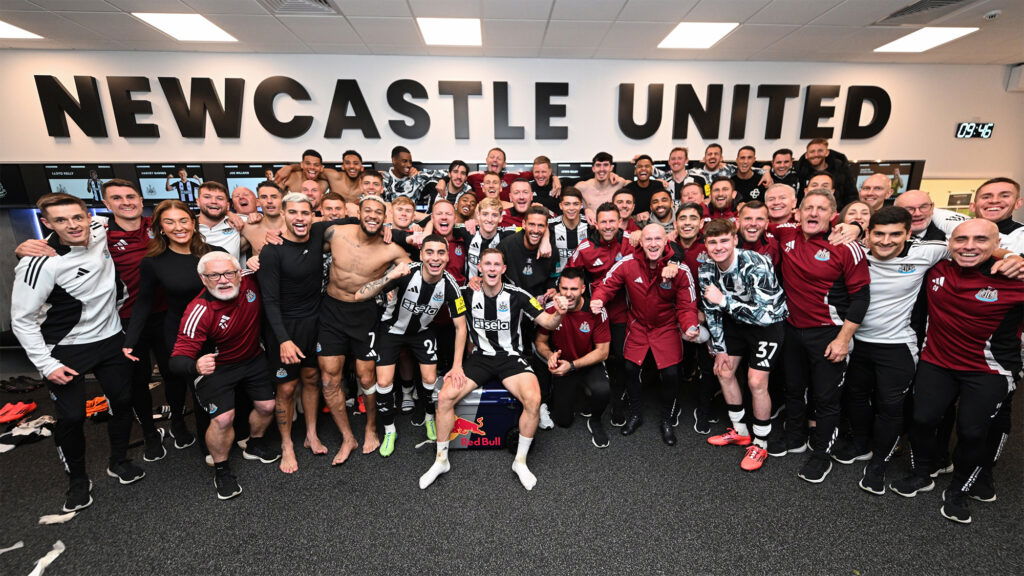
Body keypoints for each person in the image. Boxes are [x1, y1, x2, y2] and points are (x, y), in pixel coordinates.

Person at [839, 207, 1010, 494]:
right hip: (855, 341)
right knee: (855, 398)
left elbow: (973, 248)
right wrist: (854, 227)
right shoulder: (854, 252)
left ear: (909, 234)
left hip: (897, 346)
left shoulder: (929, 251)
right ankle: (860, 444)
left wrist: (1011, 257)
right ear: (867, 235)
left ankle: (880, 461)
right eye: (878, 234)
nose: (885, 241)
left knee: (890, 408)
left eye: (895, 234)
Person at [11, 193, 143, 513]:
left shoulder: (99, 228)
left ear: (88, 216)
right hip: (66, 348)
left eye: (77, 217)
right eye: (61, 220)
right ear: (46, 224)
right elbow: (21, 320)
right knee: (71, 416)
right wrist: (46, 364)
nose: (72, 225)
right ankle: (78, 479)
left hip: (110, 339)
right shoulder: (39, 262)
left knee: (123, 402)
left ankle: (118, 460)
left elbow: (130, 218)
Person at [890, 219, 1023, 524]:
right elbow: (896, 246)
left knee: (972, 431)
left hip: (988, 370)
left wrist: (1013, 259)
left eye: (980, 240)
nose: (969, 246)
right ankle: (922, 473)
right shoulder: (937, 269)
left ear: (995, 245)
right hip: (937, 361)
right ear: (950, 243)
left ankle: (959, 489)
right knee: (921, 419)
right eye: (961, 239)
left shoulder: (1014, 278)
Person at [418, 248, 569, 491]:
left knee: (533, 398)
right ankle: (441, 460)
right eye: (486, 264)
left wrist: (560, 313)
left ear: (503, 269)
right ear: (479, 267)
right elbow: (437, 290)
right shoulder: (466, 293)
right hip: (480, 358)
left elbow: (548, 322)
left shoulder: (518, 295)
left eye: (496, 264)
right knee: (445, 397)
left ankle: (520, 461)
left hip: (510, 358)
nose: (491, 268)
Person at [768, 190, 870, 484]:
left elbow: (861, 298)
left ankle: (822, 452)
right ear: (797, 214)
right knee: (793, 389)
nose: (813, 213)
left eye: (821, 209)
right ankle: (796, 437)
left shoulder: (847, 247)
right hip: (791, 328)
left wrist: (843, 339)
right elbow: (750, 221)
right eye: (808, 208)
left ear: (833, 216)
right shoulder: (786, 233)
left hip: (828, 332)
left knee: (826, 397)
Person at [169, 252, 278, 500]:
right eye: (214, 275)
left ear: (239, 273)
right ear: (203, 279)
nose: (223, 280)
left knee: (268, 405)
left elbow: (274, 257)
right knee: (223, 419)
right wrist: (195, 365)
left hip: (253, 358)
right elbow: (176, 359)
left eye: (229, 273)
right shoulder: (199, 309)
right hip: (219, 367)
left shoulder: (250, 279)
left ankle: (254, 444)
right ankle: (222, 469)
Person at [351, 235, 469, 456]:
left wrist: (457, 365)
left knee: (429, 379)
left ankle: (429, 417)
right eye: (430, 252)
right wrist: (390, 277)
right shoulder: (406, 272)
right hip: (391, 331)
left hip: (421, 332)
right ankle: (389, 430)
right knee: (384, 381)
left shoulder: (450, 285)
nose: (435, 258)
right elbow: (359, 295)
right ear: (422, 254)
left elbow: (461, 327)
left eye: (441, 253)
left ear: (448, 256)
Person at [123, 200, 222, 457]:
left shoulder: (215, 253)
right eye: (169, 222)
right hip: (182, 333)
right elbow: (143, 302)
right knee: (197, 390)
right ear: (160, 228)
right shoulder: (154, 262)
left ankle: (228, 433)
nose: (178, 227)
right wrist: (131, 339)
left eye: (183, 220)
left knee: (221, 385)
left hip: (217, 331)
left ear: (193, 222)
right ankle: (207, 447)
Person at [319, 195, 412, 461]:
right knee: (329, 379)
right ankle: (347, 437)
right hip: (331, 311)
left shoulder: (391, 247)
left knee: (367, 377)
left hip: (365, 313)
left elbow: (408, 265)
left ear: (385, 218)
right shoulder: (337, 232)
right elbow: (300, 234)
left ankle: (371, 427)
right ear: (358, 212)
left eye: (378, 212)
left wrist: (391, 280)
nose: (372, 215)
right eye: (367, 210)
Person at [591, 224, 702, 445]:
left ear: (666, 242)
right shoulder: (628, 263)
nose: (653, 244)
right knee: (631, 369)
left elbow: (687, 305)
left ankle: (667, 420)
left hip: (666, 326)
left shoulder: (680, 269)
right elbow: (607, 283)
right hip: (638, 325)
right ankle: (635, 414)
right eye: (648, 239)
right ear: (641, 242)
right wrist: (598, 299)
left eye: (657, 239)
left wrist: (689, 325)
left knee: (670, 374)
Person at [699, 218, 788, 471]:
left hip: (768, 325)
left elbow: (765, 315)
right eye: (712, 242)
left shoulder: (756, 263)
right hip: (736, 323)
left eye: (724, 240)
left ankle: (761, 443)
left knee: (756, 382)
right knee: (724, 370)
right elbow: (711, 310)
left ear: (735, 239)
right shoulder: (706, 266)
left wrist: (725, 301)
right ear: (705, 245)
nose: (718, 247)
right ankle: (740, 431)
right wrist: (720, 349)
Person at [256, 193, 328, 474]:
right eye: (294, 213)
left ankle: (311, 434)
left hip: (314, 323)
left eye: (305, 213)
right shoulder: (272, 250)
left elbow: (351, 218)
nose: (300, 218)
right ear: (283, 214)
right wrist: (284, 339)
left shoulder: (318, 233)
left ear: (313, 215)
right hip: (283, 328)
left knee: (311, 378)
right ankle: (286, 443)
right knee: (286, 387)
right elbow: (269, 301)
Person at [567, 202, 634, 426]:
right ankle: (588, 397)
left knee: (620, 359)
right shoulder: (585, 248)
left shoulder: (630, 242)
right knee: (590, 356)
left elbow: (659, 250)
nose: (607, 226)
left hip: (622, 312)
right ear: (595, 222)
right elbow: (570, 274)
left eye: (612, 221)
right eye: (603, 221)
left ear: (619, 222)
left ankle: (618, 402)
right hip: (594, 312)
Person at [535, 268, 612, 447]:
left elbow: (603, 352)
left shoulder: (596, 310)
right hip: (564, 364)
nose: (568, 294)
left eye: (574, 289)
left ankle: (595, 420)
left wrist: (573, 365)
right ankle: (570, 393)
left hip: (588, 362)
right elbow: (540, 342)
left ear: (583, 289)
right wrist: (550, 356)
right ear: (558, 288)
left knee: (602, 390)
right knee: (563, 421)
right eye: (564, 288)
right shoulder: (551, 309)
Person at [196, 181, 248, 261]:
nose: (213, 201)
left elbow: (267, 222)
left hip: (229, 273)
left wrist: (258, 216)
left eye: (219, 198)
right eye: (207, 197)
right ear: (198, 202)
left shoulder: (238, 221)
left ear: (227, 205)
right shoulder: (187, 225)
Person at [795, 139, 857, 206]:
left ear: (827, 153)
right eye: (812, 151)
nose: (816, 154)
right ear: (806, 155)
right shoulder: (800, 173)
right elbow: (799, 197)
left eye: (820, 151)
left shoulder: (841, 170)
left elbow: (852, 195)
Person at [576, 152, 628, 223]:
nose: (601, 169)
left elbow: (637, 185)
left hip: (612, 229)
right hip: (590, 229)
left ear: (611, 168)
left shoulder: (619, 184)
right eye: (598, 165)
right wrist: (585, 210)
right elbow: (568, 200)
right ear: (593, 168)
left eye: (606, 165)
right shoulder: (582, 187)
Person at [550, 187, 588, 274]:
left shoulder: (590, 225)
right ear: (561, 206)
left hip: (582, 276)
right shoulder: (550, 226)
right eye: (567, 204)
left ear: (581, 205)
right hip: (557, 276)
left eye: (575, 204)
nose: (571, 208)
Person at [241, 181, 285, 256]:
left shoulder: (294, 224)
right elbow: (228, 253)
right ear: (258, 202)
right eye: (264, 197)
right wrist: (230, 215)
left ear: (282, 200)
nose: (269, 201)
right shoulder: (249, 228)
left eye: (274, 197)